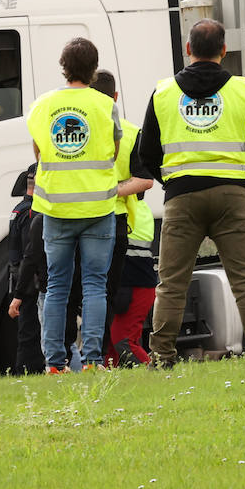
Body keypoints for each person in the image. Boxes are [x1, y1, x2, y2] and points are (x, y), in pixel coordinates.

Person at [139, 19, 245, 367]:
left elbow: (146, 152)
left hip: (182, 196)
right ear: (223, 50)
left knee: (172, 283)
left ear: (188, 49)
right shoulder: (243, 91)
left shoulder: (163, 92)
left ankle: (162, 356)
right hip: (231, 194)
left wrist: (172, 180)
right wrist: (244, 180)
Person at [26, 37, 122, 373]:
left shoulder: (42, 106)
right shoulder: (104, 105)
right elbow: (112, 151)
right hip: (97, 208)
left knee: (57, 284)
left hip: (56, 209)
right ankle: (94, 360)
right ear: (94, 71)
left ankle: (55, 363)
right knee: (95, 284)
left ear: (63, 68)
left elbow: (38, 153)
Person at [90, 70, 158, 366]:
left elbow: (146, 181)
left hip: (127, 237)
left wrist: (104, 192)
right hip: (122, 232)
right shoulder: (130, 132)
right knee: (111, 344)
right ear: (115, 96)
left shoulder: (125, 133)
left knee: (120, 342)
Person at [6, 163, 45, 374]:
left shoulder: (19, 208)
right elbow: (32, 251)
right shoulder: (31, 212)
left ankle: (23, 370)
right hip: (29, 280)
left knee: (26, 330)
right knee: (32, 331)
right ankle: (25, 371)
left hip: (19, 276)